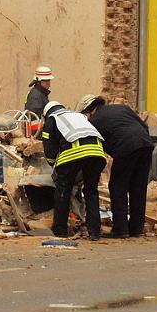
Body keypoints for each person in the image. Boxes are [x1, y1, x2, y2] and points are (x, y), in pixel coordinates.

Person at [77, 94, 154, 238]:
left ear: (90, 110)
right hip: (145, 144)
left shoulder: (93, 121)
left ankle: (120, 229)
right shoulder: (122, 109)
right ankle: (136, 228)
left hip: (125, 148)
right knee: (138, 187)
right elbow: (143, 125)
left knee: (117, 187)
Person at [41, 101, 107, 240]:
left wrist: (52, 165)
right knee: (91, 191)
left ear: (46, 114)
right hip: (97, 153)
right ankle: (94, 231)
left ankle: (60, 230)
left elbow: (49, 148)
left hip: (73, 153)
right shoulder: (78, 116)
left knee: (63, 190)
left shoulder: (52, 119)